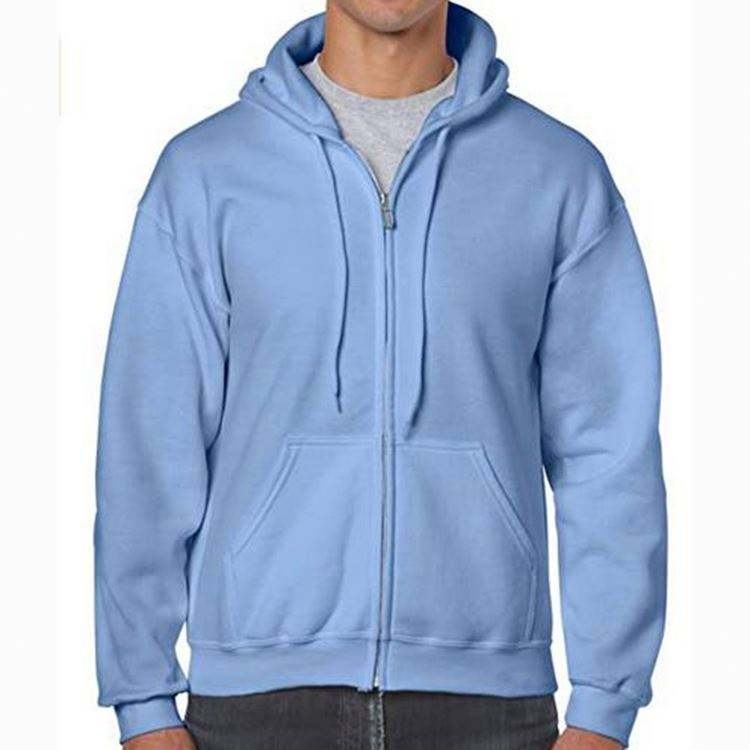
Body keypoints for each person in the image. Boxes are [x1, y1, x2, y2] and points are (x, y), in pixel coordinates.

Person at [95, 1, 667, 748]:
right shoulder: (206, 172)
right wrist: (142, 702)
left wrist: (604, 709)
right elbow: (147, 445)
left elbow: (609, 453)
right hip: (254, 703)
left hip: (489, 704)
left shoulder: (558, 173)